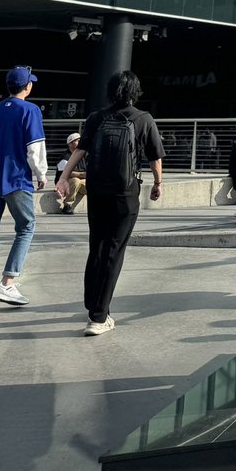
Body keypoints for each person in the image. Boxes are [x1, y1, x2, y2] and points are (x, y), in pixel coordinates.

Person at [57, 70, 164, 336]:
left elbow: (81, 149)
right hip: (125, 194)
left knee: (97, 246)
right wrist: (158, 183)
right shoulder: (143, 119)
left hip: (98, 192)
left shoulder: (96, 118)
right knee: (114, 251)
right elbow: (155, 157)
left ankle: (92, 303)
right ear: (135, 92)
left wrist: (64, 176)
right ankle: (98, 316)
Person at [0, 65, 47, 309]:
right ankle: (7, 283)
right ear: (27, 86)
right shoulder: (30, 110)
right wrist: (41, 174)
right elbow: (35, 146)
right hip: (16, 178)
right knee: (26, 226)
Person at [56, 131, 86, 214]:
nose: (80, 142)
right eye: (77, 140)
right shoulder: (64, 158)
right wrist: (82, 174)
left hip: (81, 182)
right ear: (70, 144)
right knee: (75, 180)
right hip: (65, 185)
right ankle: (67, 205)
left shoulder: (84, 156)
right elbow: (67, 174)